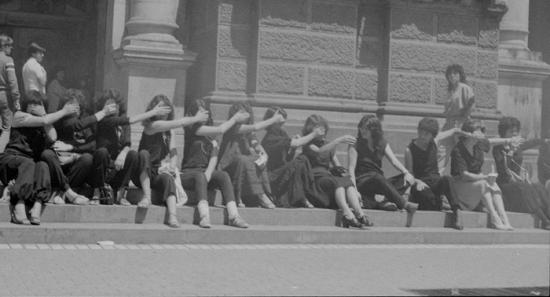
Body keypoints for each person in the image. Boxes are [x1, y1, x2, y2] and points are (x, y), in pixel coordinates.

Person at [1, 91, 79, 224]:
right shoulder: (19, 116)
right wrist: (64, 111)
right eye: (31, 103)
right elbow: (45, 120)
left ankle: (37, 206)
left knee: (42, 165)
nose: (33, 106)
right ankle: (18, 206)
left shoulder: (44, 123)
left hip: (28, 169)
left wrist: (43, 115)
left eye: (38, 103)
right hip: (11, 160)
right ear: (26, 105)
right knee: (29, 163)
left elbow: (53, 137)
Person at [138, 94, 208, 228]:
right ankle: (147, 197)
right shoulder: (152, 125)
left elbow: (173, 151)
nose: (164, 112)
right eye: (160, 108)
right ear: (153, 109)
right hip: (142, 171)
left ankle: (172, 216)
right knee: (144, 154)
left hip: (157, 171)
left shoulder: (169, 131)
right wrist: (196, 118)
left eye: (166, 108)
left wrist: (172, 164)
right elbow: (179, 123)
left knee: (168, 179)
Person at [180, 99, 250, 228]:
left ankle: (234, 216)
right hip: (189, 173)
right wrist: (235, 118)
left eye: (205, 110)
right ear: (194, 113)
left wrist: (208, 173)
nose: (204, 114)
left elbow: (214, 156)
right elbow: (221, 129)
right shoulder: (192, 128)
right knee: (199, 176)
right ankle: (204, 217)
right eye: (200, 111)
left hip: (204, 174)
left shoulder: (210, 135)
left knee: (223, 175)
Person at [95, 88, 171, 206]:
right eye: (108, 105)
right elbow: (132, 120)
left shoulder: (123, 124)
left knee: (133, 154)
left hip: (118, 168)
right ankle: (98, 190)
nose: (113, 107)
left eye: (115, 105)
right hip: (104, 169)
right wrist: (153, 112)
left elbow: (127, 143)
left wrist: (124, 153)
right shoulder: (103, 121)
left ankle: (121, 194)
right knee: (102, 152)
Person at [302, 114, 372, 228]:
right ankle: (347, 214)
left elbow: (337, 164)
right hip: (316, 179)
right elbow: (319, 151)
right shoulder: (308, 145)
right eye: (319, 129)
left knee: (346, 182)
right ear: (311, 129)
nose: (322, 132)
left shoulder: (328, 145)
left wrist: (348, 180)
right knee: (337, 183)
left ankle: (360, 214)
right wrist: (338, 140)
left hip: (328, 177)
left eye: (323, 128)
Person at [404, 118, 471, 230]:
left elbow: (454, 131)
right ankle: (439, 203)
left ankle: (457, 212)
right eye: (421, 131)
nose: (422, 135)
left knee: (447, 179)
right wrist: (418, 181)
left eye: (426, 134)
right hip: (421, 183)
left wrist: (468, 134)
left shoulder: (435, 141)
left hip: (435, 181)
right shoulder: (409, 149)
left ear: (432, 135)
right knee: (426, 196)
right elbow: (409, 174)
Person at [54, 89, 118, 205]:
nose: (75, 108)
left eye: (77, 105)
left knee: (88, 158)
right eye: (71, 105)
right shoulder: (61, 121)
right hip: (63, 166)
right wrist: (103, 112)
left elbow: (92, 145)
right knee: (86, 157)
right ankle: (65, 192)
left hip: (79, 166)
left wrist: (72, 148)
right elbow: (76, 126)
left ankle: (70, 192)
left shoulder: (84, 122)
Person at [348, 114, 418, 217]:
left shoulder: (381, 143)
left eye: (366, 129)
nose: (362, 131)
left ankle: (382, 201)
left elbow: (394, 161)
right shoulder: (355, 144)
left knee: (406, 178)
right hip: (362, 180)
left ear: (374, 130)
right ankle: (404, 204)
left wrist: (406, 172)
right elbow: (351, 169)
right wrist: (354, 190)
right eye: (361, 127)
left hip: (379, 181)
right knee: (377, 176)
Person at [217, 102, 283, 209]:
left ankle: (262, 194)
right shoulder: (233, 127)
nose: (245, 114)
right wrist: (273, 120)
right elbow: (256, 127)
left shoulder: (248, 132)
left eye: (246, 112)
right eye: (241, 112)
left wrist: (263, 154)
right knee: (244, 160)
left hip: (243, 161)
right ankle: (260, 195)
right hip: (228, 163)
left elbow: (255, 144)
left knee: (255, 159)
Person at [450, 119, 513, 230]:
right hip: (461, 187)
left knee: (493, 185)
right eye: (478, 130)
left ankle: (504, 218)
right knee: (484, 183)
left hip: (476, 184)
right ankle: (494, 218)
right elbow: (464, 175)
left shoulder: (478, 144)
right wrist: (484, 177)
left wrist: (508, 140)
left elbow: (492, 141)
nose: (482, 133)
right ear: (469, 133)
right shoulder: (458, 150)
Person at [493, 117, 550, 230]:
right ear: (504, 132)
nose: (514, 134)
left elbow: (531, 142)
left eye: (516, 131)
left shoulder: (518, 145)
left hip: (517, 181)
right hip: (505, 184)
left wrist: (545, 141)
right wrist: (511, 151)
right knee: (525, 187)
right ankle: (545, 220)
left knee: (538, 187)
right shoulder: (498, 148)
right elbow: (503, 170)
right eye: (511, 132)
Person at [261, 106, 324, 207]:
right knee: (301, 160)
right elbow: (296, 143)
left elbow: (287, 159)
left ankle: (303, 196)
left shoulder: (281, 133)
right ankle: (302, 197)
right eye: (278, 120)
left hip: (282, 171)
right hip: (273, 176)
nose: (282, 122)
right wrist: (314, 134)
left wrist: (293, 149)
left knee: (301, 161)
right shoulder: (270, 137)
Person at [439, 64, 475, 175]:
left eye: (455, 73)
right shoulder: (450, 90)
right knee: (441, 148)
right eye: (449, 74)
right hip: (449, 123)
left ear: (460, 75)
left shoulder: (464, 88)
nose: (452, 76)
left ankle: (467, 177)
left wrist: (463, 119)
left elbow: (471, 104)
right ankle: (436, 175)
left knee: (462, 153)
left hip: (460, 123)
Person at [0, 34, 20, 136]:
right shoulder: (8, 60)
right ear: (4, 46)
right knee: (6, 128)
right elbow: (12, 81)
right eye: (9, 46)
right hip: (4, 96)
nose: (11, 48)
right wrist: (16, 99)